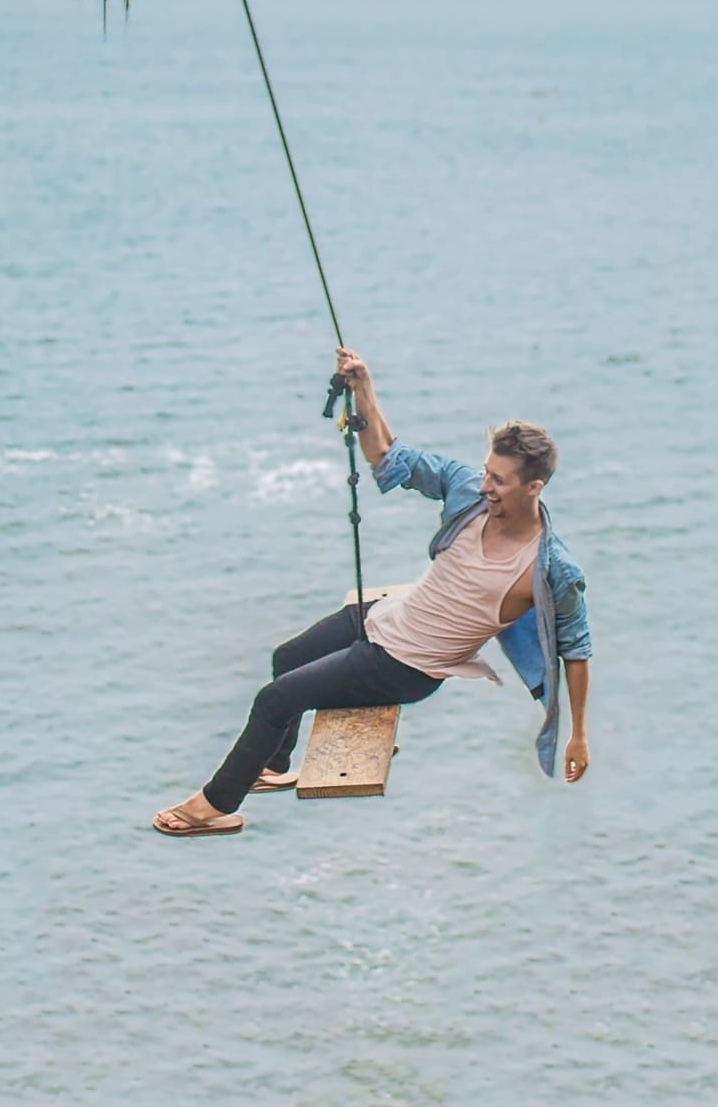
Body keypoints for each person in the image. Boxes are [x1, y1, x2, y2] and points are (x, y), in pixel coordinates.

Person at [153, 347, 592, 836]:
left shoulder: (550, 569)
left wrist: (577, 735)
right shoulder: (469, 490)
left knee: (275, 700)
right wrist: (364, 386)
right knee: (286, 658)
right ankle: (272, 767)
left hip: (408, 665)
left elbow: (575, 651)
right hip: (387, 617)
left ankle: (213, 807)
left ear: (534, 487)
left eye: (500, 480)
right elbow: (389, 456)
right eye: (487, 472)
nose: (487, 485)